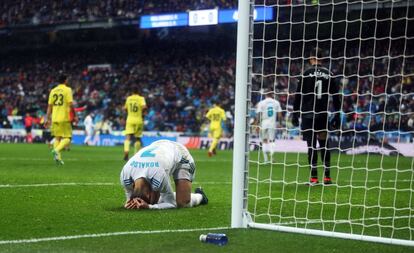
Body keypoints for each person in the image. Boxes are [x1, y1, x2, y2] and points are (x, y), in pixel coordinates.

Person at [292, 47, 342, 185]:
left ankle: (314, 178)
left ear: (310, 58)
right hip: (322, 115)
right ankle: (327, 177)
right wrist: (337, 114)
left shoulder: (305, 73)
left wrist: (295, 114)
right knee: (324, 145)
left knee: (311, 146)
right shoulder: (329, 74)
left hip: (308, 115)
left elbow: (298, 96)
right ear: (322, 59)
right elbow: (336, 97)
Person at [120, 140, 208, 210]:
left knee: (183, 203)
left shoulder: (158, 176)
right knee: (160, 196)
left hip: (181, 155)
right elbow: (129, 199)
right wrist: (130, 204)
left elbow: (171, 203)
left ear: (148, 194)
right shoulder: (125, 175)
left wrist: (150, 206)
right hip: (158, 147)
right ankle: (165, 195)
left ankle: (200, 196)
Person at [44, 74, 78, 165]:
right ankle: (56, 150)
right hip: (64, 117)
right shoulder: (68, 90)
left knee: (57, 138)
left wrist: (47, 118)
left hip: (54, 118)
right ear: (65, 80)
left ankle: (58, 158)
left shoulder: (53, 91)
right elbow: (71, 104)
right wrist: (75, 116)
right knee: (68, 138)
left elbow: (49, 107)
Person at [255, 90, 283, 163]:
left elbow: (259, 115)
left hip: (263, 123)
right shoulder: (276, 102)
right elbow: (280, 114)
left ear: (265, 95)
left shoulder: (261, 103)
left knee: (264, 141)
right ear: (272, 95)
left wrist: (257, 125)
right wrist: (280, 123)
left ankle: (265, 159)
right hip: (272, 123)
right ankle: (272, 158)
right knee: (272, 141)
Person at [123, 86, 147, 161]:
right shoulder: (141, 98)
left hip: (130, 119)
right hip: (138, 120)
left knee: (128, 137)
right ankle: (136, 155)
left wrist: (129, 112)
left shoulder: (129, 98)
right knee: (138, 138)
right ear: (138, 92)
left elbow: (125, 108)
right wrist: (142, 113)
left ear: (132, 92)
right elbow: (144, 107)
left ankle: (126, 152)